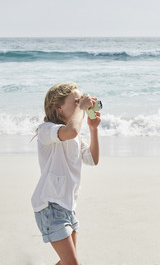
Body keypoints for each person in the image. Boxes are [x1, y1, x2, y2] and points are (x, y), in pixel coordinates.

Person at [31, 82, 101, 265]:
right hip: (50, 207)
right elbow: (70, 131)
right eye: (76, 101)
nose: (81, 104)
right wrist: (82, 107)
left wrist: (93, 129)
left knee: (66, 263)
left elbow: (93, 159)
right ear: (59, 108)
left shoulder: (77, 136)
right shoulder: (46, 130)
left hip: (68, 207)